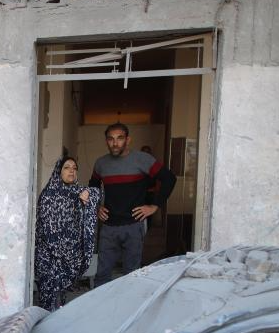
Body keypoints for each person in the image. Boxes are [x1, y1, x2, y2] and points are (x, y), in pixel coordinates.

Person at [89, 124, 176, 287]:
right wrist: (96, 207)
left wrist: (154, 206)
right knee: (101, 276)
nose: (115, 143)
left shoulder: (143, 159)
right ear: (106, 141)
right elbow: (93, 186)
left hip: (134, 226)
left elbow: (169, 178)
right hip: (108, 227)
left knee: (132, 275)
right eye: (111, 139)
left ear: (128, 140)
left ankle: (128, 304)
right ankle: (101, 304)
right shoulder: (101, 163)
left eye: (120, 138)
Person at [34, 156, 101, 311]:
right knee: (49, 301)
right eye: (66, 167)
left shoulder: (76, 192)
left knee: (61, 301)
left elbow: (97, 193)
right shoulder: (49, 196)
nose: (71, 170)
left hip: (68, 258)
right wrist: (67, 253)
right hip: (49, 259)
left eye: (74, 168)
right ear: (58, 171)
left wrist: (87, 193)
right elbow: (49, 232)